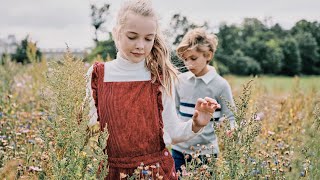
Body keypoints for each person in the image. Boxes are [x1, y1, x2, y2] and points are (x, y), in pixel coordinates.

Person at [85, 1, 220, 179]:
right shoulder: (98, 75)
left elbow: (173, 132)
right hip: (111, 172)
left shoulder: (158, 77)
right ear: (116, 33)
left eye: (148, 38)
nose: (141, 45)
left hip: (155, 172)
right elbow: (88, 127)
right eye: (132, 37)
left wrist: (196, 124)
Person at [172, 28, 236, 172]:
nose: (188, 64)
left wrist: (230, 128)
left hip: (206, 152)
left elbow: (230, 116)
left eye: (193, 58)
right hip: (178, 150)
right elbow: (174, 110)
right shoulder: (179, 81)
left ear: (208, 55)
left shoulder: (221, 85)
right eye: (185, 59)